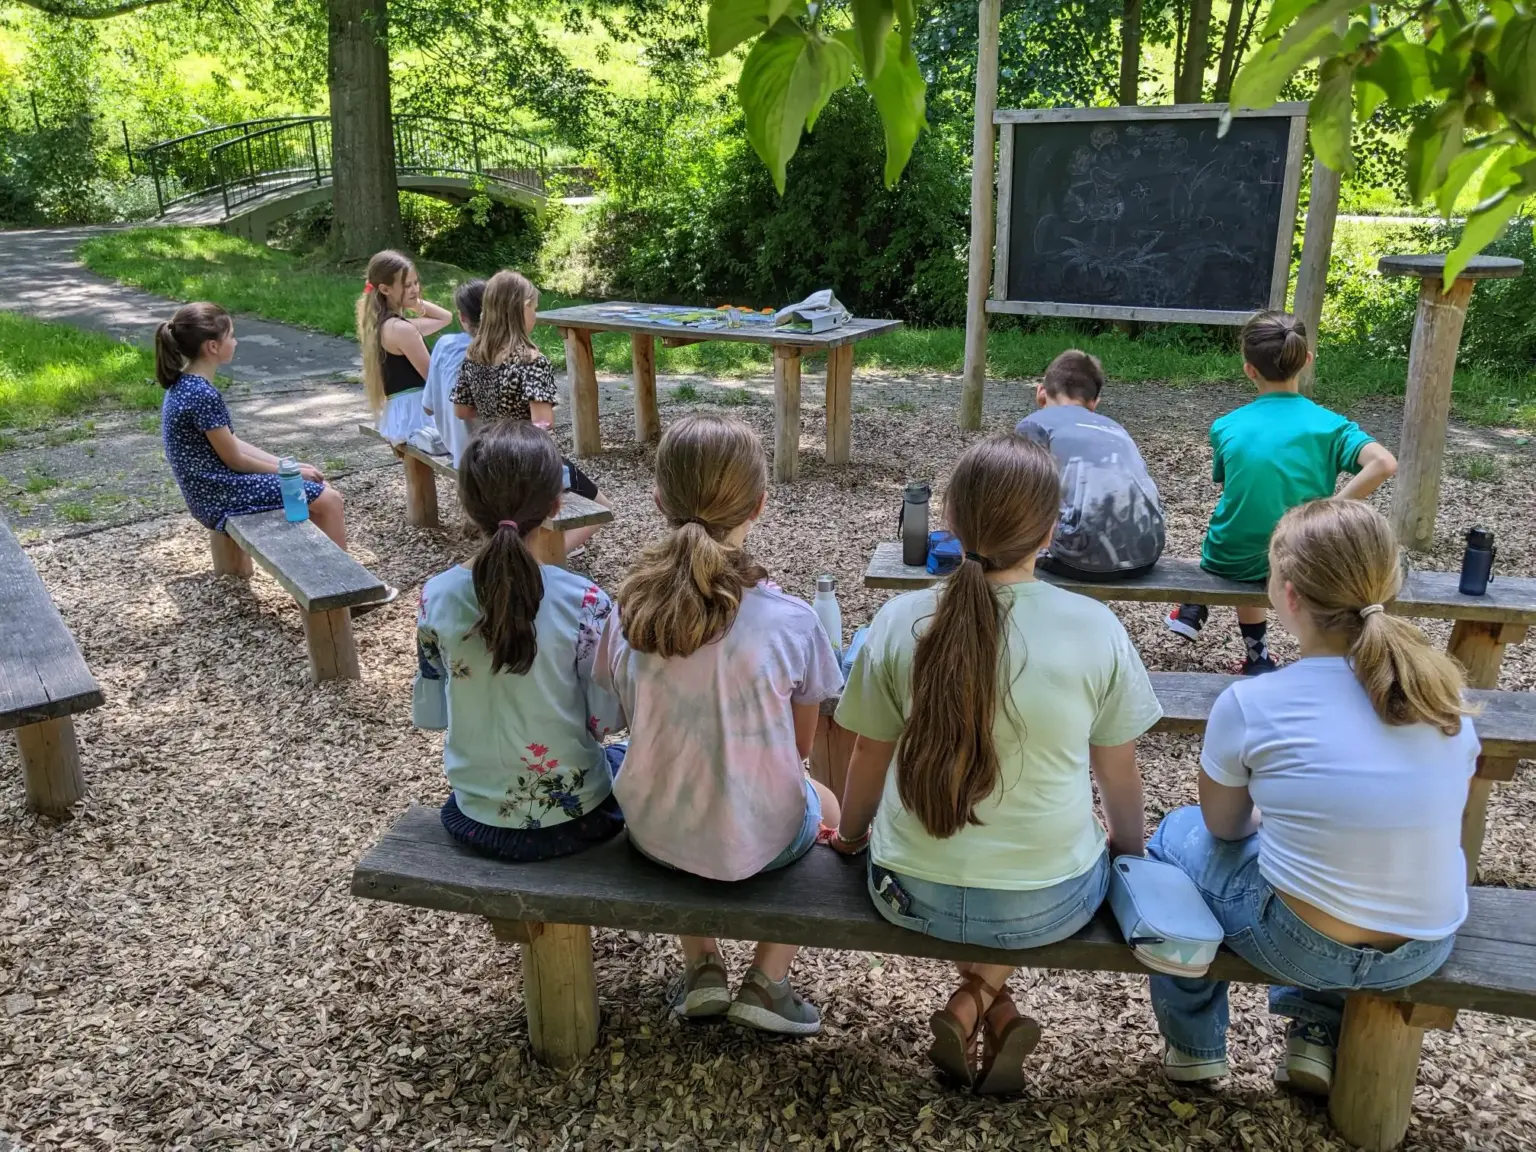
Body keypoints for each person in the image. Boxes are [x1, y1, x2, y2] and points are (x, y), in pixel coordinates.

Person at [830, 434, 1162, 1094]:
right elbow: (1117, 773)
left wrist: (849, 838)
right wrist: (1130, 854)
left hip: (906, 891)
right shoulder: (1095, 629)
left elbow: (869, 751)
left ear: (951, 524)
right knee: (1013, 890)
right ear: (1049, 531)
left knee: (963, 890)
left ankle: (973, 1002)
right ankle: (988, 1003)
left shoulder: (900, 620)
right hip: (1049, 901)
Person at [1150, 498, 1477, 1095]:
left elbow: (1223, 829)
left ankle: (1195, 1045)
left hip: (1303, 944)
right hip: (1424, 942)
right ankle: (1314, 1034)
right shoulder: (1443, 697)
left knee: (1173, 838)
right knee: (1324, 865)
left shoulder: (1254, 703)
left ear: (1289, 595)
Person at [595, 414, 843, 1036]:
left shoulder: (627, 613)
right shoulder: (791, 621)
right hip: (766, 840)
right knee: (829, 803)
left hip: (655, 835)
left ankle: (702, 963)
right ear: (759, 504)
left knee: (668, 781)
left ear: (657, 501)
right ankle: (768, 976)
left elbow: (616, 717)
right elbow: (802, 746)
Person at [413, 421, 625, 861]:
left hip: (475, 812)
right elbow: (606, 720)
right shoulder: (585, 601)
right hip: (576, 816)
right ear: (555, 506)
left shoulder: (436, 598)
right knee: (626, 759)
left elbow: (433, 713)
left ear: (468, 505)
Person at [1167, 311, 1397, 675]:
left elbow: (1237, 491)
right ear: (1306, 361)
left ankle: (1251, 651)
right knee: (1277, 546)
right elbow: (1383, 463)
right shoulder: (1331, 426)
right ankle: (1312, 659)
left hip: (1233, 557)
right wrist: (1331, 511)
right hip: (1302, 554)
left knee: (1236, 539)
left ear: (1249, 370)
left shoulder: (1226, 426)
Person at [157, 301, 345, 548]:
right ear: (212, 346)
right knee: (330, 499)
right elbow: (235, 460)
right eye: (231, 336)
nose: (235, 342)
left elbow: (231, 443)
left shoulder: (183, 384)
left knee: (313, 486)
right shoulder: (202, 394)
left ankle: (322, 567)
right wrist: (288, 473)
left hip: (207, 491)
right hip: (221, 494)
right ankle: (347, 583)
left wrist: (286, 465)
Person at [451, 269, 610, 551]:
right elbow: (542, 424)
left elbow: (462, 410)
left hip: (488, 455)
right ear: (523, 308)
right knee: (602, 510)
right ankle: (542, 558)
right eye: (534, 308)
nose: (535, 315)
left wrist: (495, 411)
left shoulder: (474, 355)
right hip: (528, 459)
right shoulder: (531, 361)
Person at [1014, 348, 1164, 580]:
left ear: (1041, 393)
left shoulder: (1035, 425)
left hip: (1080, 558)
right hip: (1148, 551)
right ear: (1094, 403)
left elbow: (1025, 499)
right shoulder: (1115, 427)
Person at [357, 249, 452, 446]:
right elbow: (434, 380)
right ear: (385, 289)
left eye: (416, 282)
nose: (415, 289)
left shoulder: (387, 325)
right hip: (417, 413)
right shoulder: (402, 330)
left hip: (402, 411)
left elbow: (445, 318)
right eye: (407, 285)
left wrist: (412, 302)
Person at [420, 278, 484, 466]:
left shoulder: (444, 345)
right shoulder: (502, 351)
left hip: (457, 449)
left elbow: (428, 407)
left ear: (462, 317)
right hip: (490, 453)